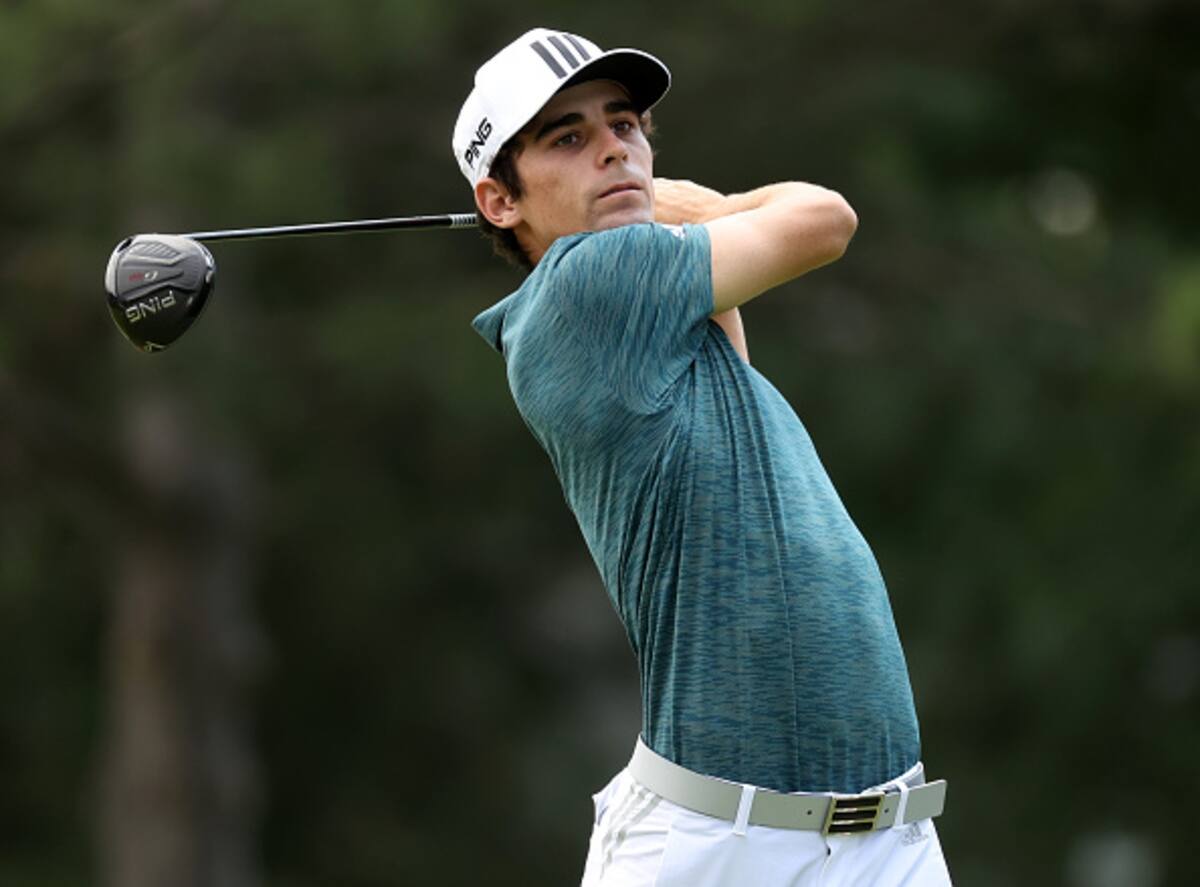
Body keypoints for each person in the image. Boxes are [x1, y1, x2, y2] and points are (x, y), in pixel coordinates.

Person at [453, 28, 952, 887]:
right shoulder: (584, 288)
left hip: (885, 837)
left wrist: (665, 208)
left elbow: (728, 328)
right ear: (500, 200)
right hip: (720, 848)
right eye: (569, 138)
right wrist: (708, 205)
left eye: (625, 126)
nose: (614, 149)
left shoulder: (658, 312)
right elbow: (825, 220)